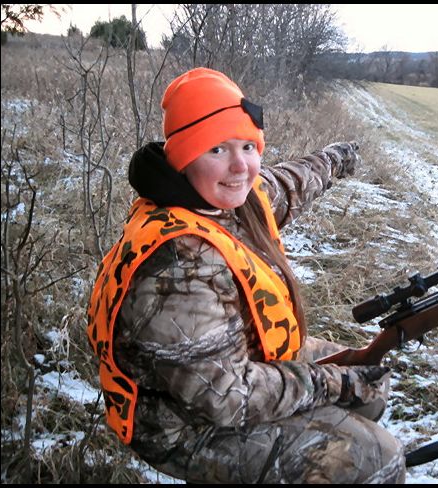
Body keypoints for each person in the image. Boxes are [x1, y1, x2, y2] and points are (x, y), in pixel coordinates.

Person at [86, 67, 406, 484]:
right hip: (183, 425)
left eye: (248, 146)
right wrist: (333, 385)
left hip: (237, 363)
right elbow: (228, 397)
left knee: (372, 383)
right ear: (184, 159)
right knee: (377, 456)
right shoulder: (177, 265)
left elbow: (292, 182)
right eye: (216, 149)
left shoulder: (230, 199)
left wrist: (338, 158)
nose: (240, 166)